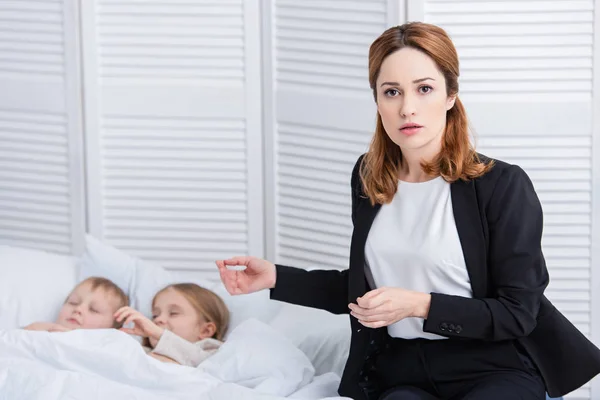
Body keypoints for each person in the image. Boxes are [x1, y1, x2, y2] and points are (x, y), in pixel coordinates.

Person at [216, 22, 600, 400]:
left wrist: (419, 305)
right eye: (392, 91)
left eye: (424, 88)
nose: (407, 108)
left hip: (492, 364)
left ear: (451, 95)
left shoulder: (501, 185)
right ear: (377, 100)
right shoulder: (369, 176)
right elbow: (370, 288)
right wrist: (276, 278)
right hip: (402, 370)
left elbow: (518, 312)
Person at [114, 283, 229, 366]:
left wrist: (158, 333)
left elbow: (201, 362)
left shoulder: (211, 351)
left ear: (205, 331)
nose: (158, 320)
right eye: (155, 315)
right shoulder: (142, 350)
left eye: (173, 313)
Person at [24, 276, 129, 332]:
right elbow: (14, 338)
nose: (78, 309)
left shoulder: (110, 346)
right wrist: (45, 329)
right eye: (73, 303)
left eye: (93, 309)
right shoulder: (44, 330)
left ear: (113, 329)